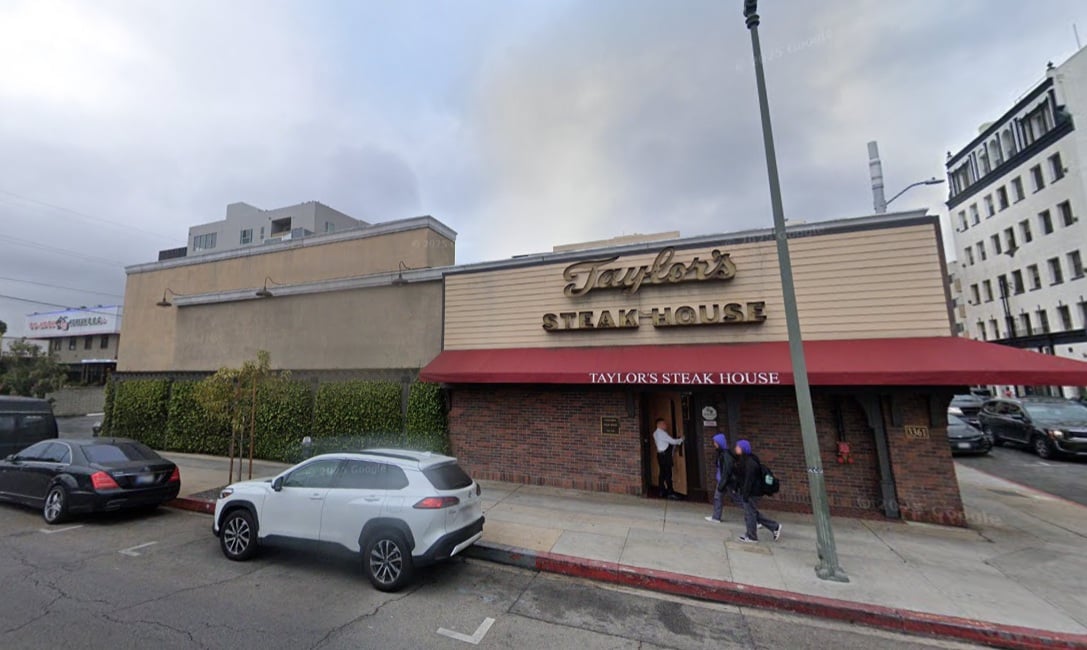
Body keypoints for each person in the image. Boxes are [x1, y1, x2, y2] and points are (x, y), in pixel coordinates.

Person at [733, 439, 782, 543]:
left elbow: (749, 480)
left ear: (743, 449)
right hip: (750, 491)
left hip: (753, 492)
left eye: (738, 447)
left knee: (750, 514)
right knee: (752, 512)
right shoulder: (744, 461)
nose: (735, 448)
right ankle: (774, 526)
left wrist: (745, 494)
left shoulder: (750, 463)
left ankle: (752, 536)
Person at [652, 417, 684, 499]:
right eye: (664, 424)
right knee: (668, 474)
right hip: (665, 456)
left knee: (662, 473)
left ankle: (661, 490)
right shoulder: (662, 433)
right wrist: (681, 439)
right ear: (659, 425)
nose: (665, 425)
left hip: (660, 455)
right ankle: (670, 492)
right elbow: (673, 441)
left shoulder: (655, 433)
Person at [705, 432, 732, 523]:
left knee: (739, 500)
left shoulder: (725, 455)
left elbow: (727, 470)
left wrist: (723, 481)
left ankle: (756, 520)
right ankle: (716, 517)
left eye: (715, 442)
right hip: (722, 480)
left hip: (725, 481)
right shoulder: (721, 453)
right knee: (717, 497)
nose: (714, 444)